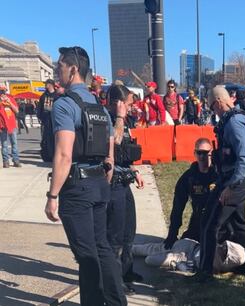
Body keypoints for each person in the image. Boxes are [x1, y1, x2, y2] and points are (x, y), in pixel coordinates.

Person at [44, 46, 126, 306]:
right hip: (100, 183)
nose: (58, 71)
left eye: (60, 66)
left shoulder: (65, 105)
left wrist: (52, 195)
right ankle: (116, 301)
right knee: (102, 247)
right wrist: (104, 182)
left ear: (73, 69)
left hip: (77, 187)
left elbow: (63, 155)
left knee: (86, 254)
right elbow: (110, 157)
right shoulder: (100, 108)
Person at [196, 86, 245, 282]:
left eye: (213, 107)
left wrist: (230, 187)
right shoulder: (236, 119)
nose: (213, 112)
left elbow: (244, 157)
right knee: (239, 222)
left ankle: (205, 273)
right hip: (235, 179)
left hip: (235, 181)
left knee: (210, 223)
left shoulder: (234, 123)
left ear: (219, 102)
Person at [106, 84, 145, 295]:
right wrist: (120, 117)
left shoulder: (126, 123)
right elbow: (116, 140)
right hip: (112, 185)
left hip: (124, 180)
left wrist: (135, 171)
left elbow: (126, 150)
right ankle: (115, 280)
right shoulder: (108, 119)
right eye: (128, 104)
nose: (130, 108)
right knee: (116, 237)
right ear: (117, 103)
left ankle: (128, 271)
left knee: (129, 231)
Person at [164, 138, 218, 249]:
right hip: (198, 221)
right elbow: (177, 209)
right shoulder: (188, 178)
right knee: (182, 247)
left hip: (217, 222)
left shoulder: (219, 175)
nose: (203, 157)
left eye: (206, 153)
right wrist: (172, 234)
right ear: (194, 153)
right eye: (199, 153)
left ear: (211, 153)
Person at [133, 238, 245, 274]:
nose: (222, 247)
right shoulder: (218, 247)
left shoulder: (217, 267)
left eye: (226, 249)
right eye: (225, 246)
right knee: (151, 248)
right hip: (189, 245)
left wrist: (176, 265)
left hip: (181, 258)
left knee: (150, 259)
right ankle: (124, 250)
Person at [0, 86, 21, 168]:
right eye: (1, 91)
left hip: (12, 124)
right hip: (2, 125)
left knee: (14, 143)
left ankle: (16, 160)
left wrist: (9, 102)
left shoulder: (10, 98)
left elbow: (17, 110)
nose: (2, 93)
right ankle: (6, 161)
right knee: (4, 144)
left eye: (4, 91)